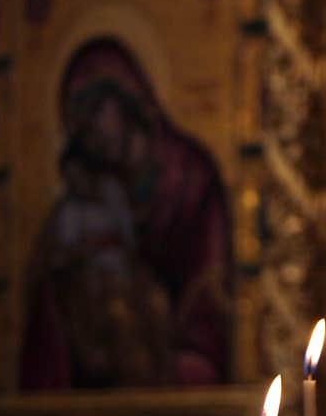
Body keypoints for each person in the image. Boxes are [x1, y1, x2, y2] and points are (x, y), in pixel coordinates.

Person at [21, 37, 232, 388]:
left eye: (96, 113)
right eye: (80, 127)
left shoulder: (190, 178)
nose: (92, 134)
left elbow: (206, 298)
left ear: (128, 97)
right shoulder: (94, 193)